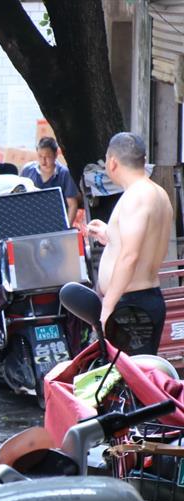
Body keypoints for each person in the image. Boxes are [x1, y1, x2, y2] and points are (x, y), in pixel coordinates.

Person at [87, 132, 172, 356]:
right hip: (142, 299)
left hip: (131, 306)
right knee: (134, 379)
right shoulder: (158, 194)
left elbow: (130, 256)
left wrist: (107, 307)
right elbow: (145, 246)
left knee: (128, 382)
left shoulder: (136, 197)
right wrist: (110, 235)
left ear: (112, 161)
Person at [20, 137, 81, 223]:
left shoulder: (64, 173)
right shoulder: (28, 170)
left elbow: (72, 204)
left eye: (47, 157)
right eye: (40, 156)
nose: (43, 161)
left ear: (55, 155)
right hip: (31, 220)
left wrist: (67, 227)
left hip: (56, 221)